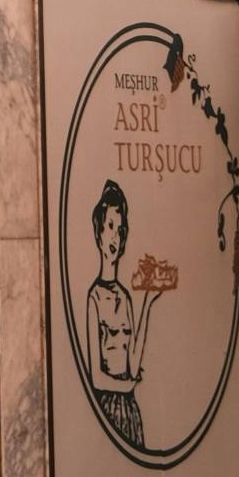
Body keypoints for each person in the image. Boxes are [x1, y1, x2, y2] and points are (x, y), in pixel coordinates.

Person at [85, 179, 156, 448]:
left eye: (120, 229)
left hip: (130, 410)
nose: (115, 236)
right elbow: (96, 376)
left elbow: (133, 362)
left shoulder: (125, 297)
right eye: (110, 227)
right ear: (99, 233)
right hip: (107, 409)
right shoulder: (94, 298)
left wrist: (148, 302)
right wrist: (126, 386)